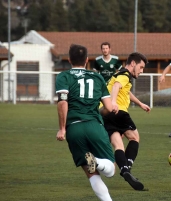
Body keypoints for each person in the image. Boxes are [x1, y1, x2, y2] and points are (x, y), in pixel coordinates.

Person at [55, 44, 116, 201]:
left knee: (91, 172)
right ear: (87, 60)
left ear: (69, 60)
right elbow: (108, 108)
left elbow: (62, 102)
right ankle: (97, 161)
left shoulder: (64, 76)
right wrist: (110, 107)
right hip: (94, 126)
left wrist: (62, 129)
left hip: (74, 129)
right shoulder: (97, 77)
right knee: (110, 170)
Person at [100, 52, 150, 191]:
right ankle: (126, 168)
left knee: (118, 144)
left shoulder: (119, 74)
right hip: (118, 111)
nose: (141, 71)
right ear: (133, 64)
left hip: (105, 113)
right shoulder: (125, 75)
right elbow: (116, 86)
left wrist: (140, 103)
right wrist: (114, 102)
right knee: (135, 138)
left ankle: (125, 170)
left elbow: (125, 91)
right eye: (141, 67)